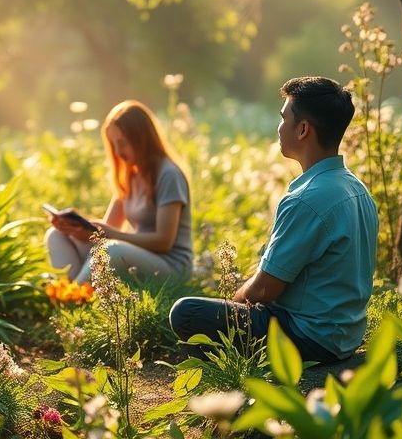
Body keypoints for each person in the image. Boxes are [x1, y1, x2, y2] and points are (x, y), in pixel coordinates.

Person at [169, 77, 378, 364]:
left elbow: (265, 289)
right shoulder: (357, 189)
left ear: (303, 129)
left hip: (308, 337)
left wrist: (232, 303)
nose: (279, 127)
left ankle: (226, 379)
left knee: (186, 312)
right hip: (343, 335)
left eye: (284, 118)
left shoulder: (308, 198)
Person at [45, 100, 193, 285]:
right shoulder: (130, 175)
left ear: (141, 139)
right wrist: (79, 230)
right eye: (113, 144)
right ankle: (66, 298)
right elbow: (109, 228)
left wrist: (111, 235)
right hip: (135, 256)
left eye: (122, 143)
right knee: (56, 235)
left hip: (171, 264)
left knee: (111, 250)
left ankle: (74, 298)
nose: (117, 151)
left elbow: (164, 242)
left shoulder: (169, 174)